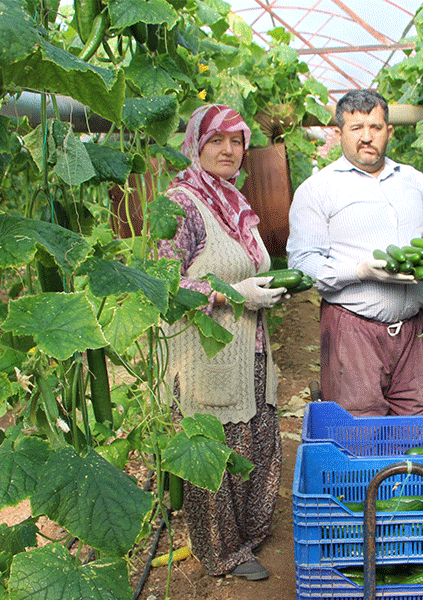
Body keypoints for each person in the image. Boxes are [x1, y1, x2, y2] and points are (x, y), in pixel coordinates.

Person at [158, 104, 285, 581]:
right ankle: (221, 551)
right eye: (217, 140)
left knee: (256, 439)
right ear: (196, 144)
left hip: (249, 346)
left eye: (237, 141)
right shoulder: (181, 203)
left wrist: (262, 292)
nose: (229, 150)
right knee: (215, 451)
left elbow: (245, 269)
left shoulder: (234, 202)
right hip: (203, 353)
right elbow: (165, 284)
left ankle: (248, 537)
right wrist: (232, 292)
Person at [287, 89, 423, 416]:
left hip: (412, 329)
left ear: (389, 132)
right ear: (339, 134)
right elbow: (303, 264)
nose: (367, 137)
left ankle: (403, 469)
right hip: (352, 328)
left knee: (411, 418)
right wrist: (361, 270)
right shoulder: (318, 189)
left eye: (376, 128)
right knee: (360, 424)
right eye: (356, 128)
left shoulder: (414, 181)